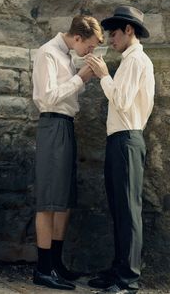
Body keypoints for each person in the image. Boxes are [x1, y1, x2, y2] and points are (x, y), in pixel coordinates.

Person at [86, 6, 155, 294]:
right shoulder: (129, 60)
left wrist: (103, 74)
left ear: (129, 31)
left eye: (114, 33)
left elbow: (123, 101)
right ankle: (118, 270)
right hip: (119, 139)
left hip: (127, 139)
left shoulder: (136, 60)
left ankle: (128, 280)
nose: (110, 39)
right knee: (119, 208)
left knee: (128, 210)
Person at [32, 15, 104, 290]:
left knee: (64, 199)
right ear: (77, 38)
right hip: (52, 125)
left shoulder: (67, 55)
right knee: (49, 198)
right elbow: (47, 97)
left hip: (66, 126)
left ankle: (56, 264)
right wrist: (81, 78)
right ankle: (43, 269)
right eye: (91, 46)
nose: (91, 51)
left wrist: (79, 74)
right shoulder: (47, 54)